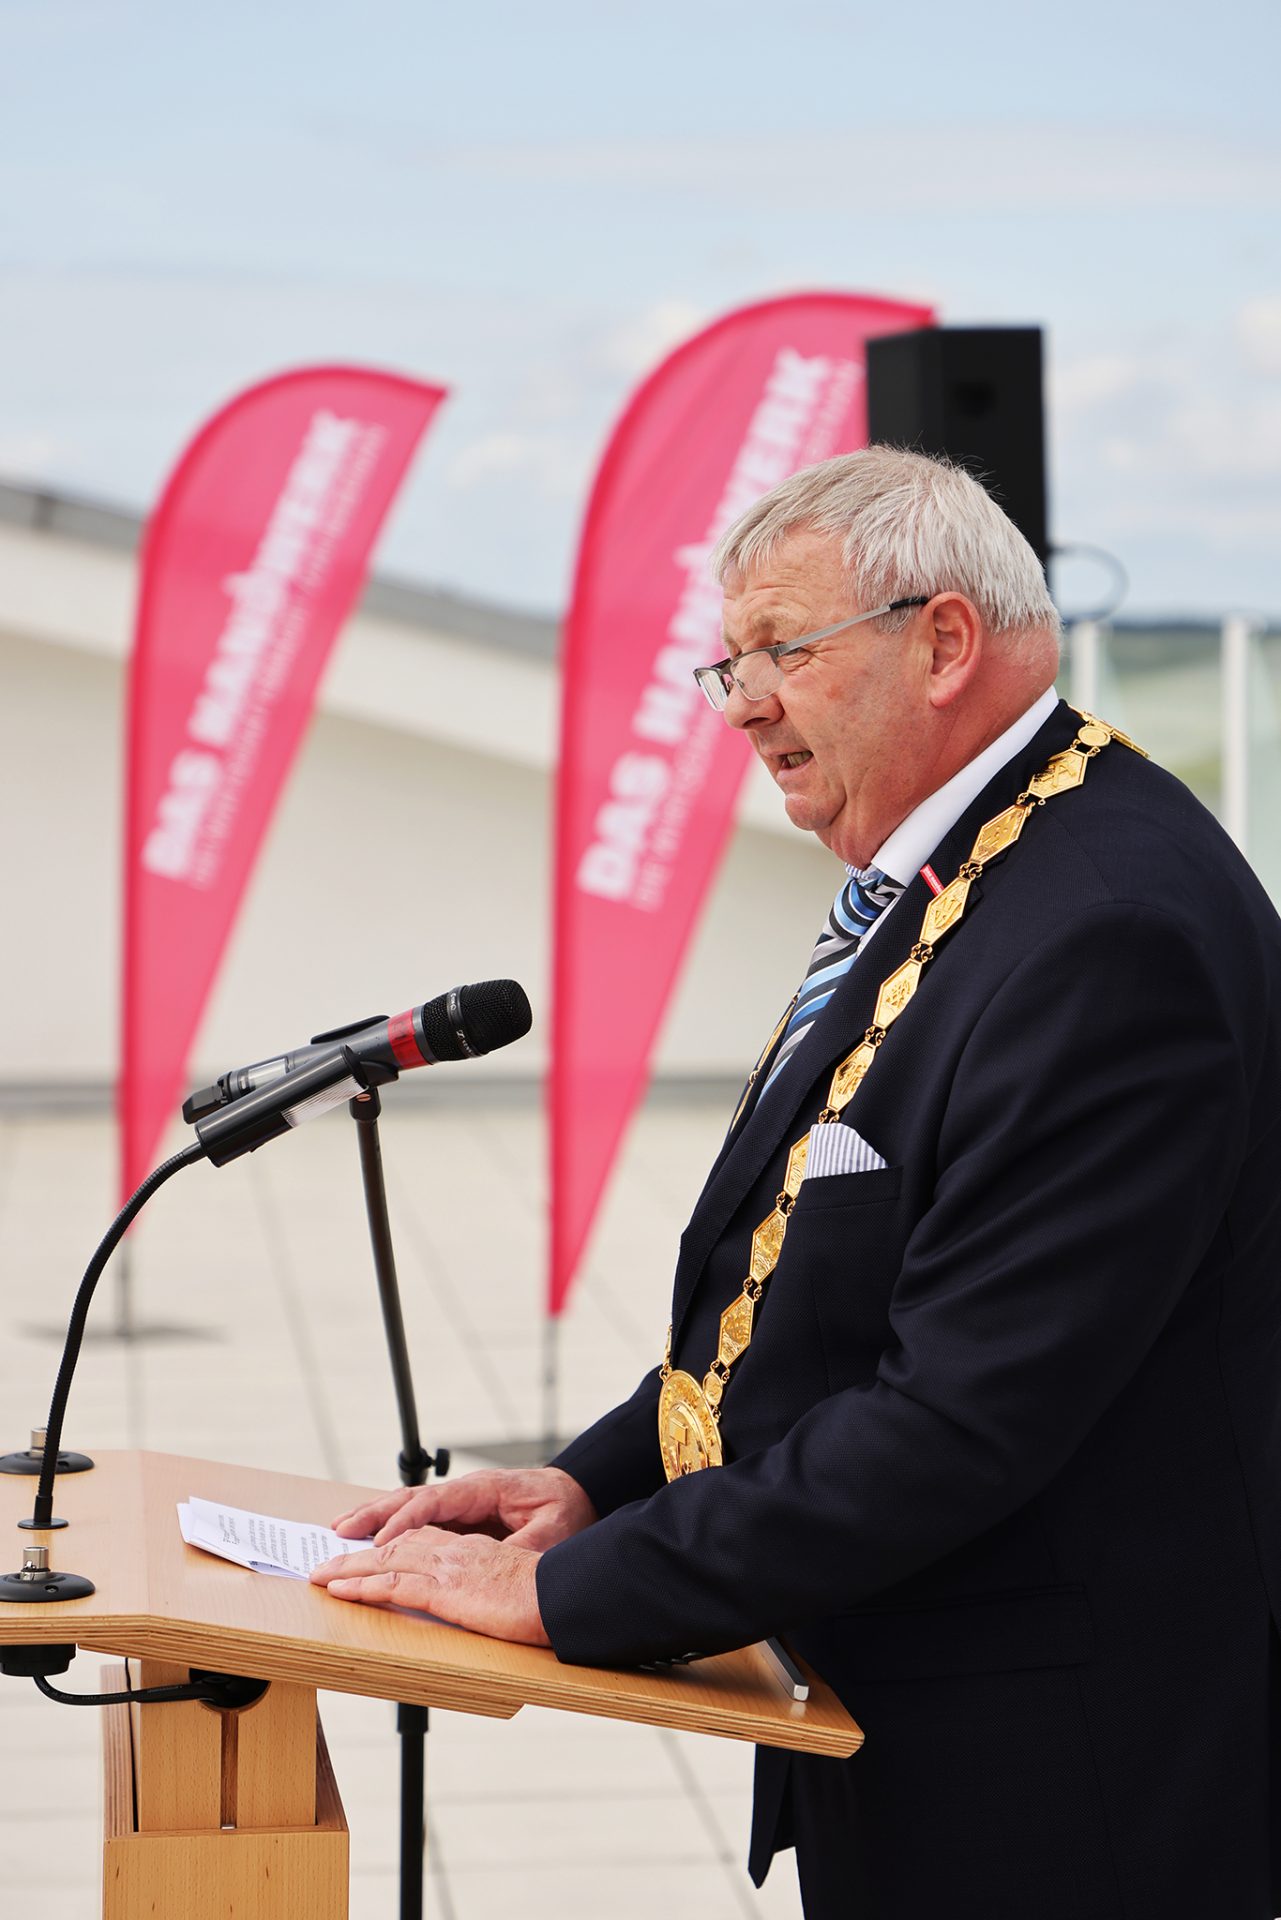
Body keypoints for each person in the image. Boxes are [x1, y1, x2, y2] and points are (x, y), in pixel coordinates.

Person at [312, 447, 1281, 1919]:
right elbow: (821, 1287)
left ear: (942, 644)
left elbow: (960, 1414)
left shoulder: (1106, 929)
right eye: (730, 662)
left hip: (1060, 1779)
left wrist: (565, 1594)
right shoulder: (974, 863)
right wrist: (591, 1487)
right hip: (926, 1714)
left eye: (784, 651)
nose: (742, 702)